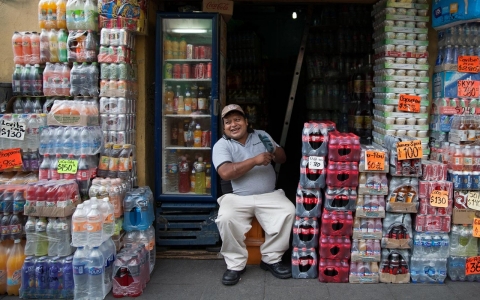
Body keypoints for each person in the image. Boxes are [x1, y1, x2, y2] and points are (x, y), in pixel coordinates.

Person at [212, 104, 295, 286]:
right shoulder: (222, 145)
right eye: (228, 122)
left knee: (288, 210)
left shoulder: (261, 135)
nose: (233, 124)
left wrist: (273, 148)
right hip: (236, 198)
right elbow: (226, 172)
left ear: (246, 122)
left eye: (237, 120)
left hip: (269, 195)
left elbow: (282, 159)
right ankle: (235, 265)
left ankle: (271, 259)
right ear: (224, 127)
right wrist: (255, 160)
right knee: (226, 218)